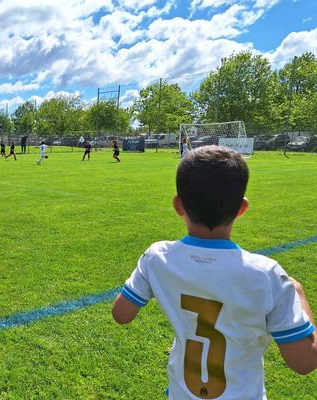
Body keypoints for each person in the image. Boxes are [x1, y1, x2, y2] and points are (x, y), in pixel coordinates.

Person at [112, 146, 317, 400]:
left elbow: (121, 314)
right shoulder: (266, 275)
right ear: (242, 208)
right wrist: (300, 295)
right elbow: (304, 362)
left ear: (178, 205)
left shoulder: (157, 257)